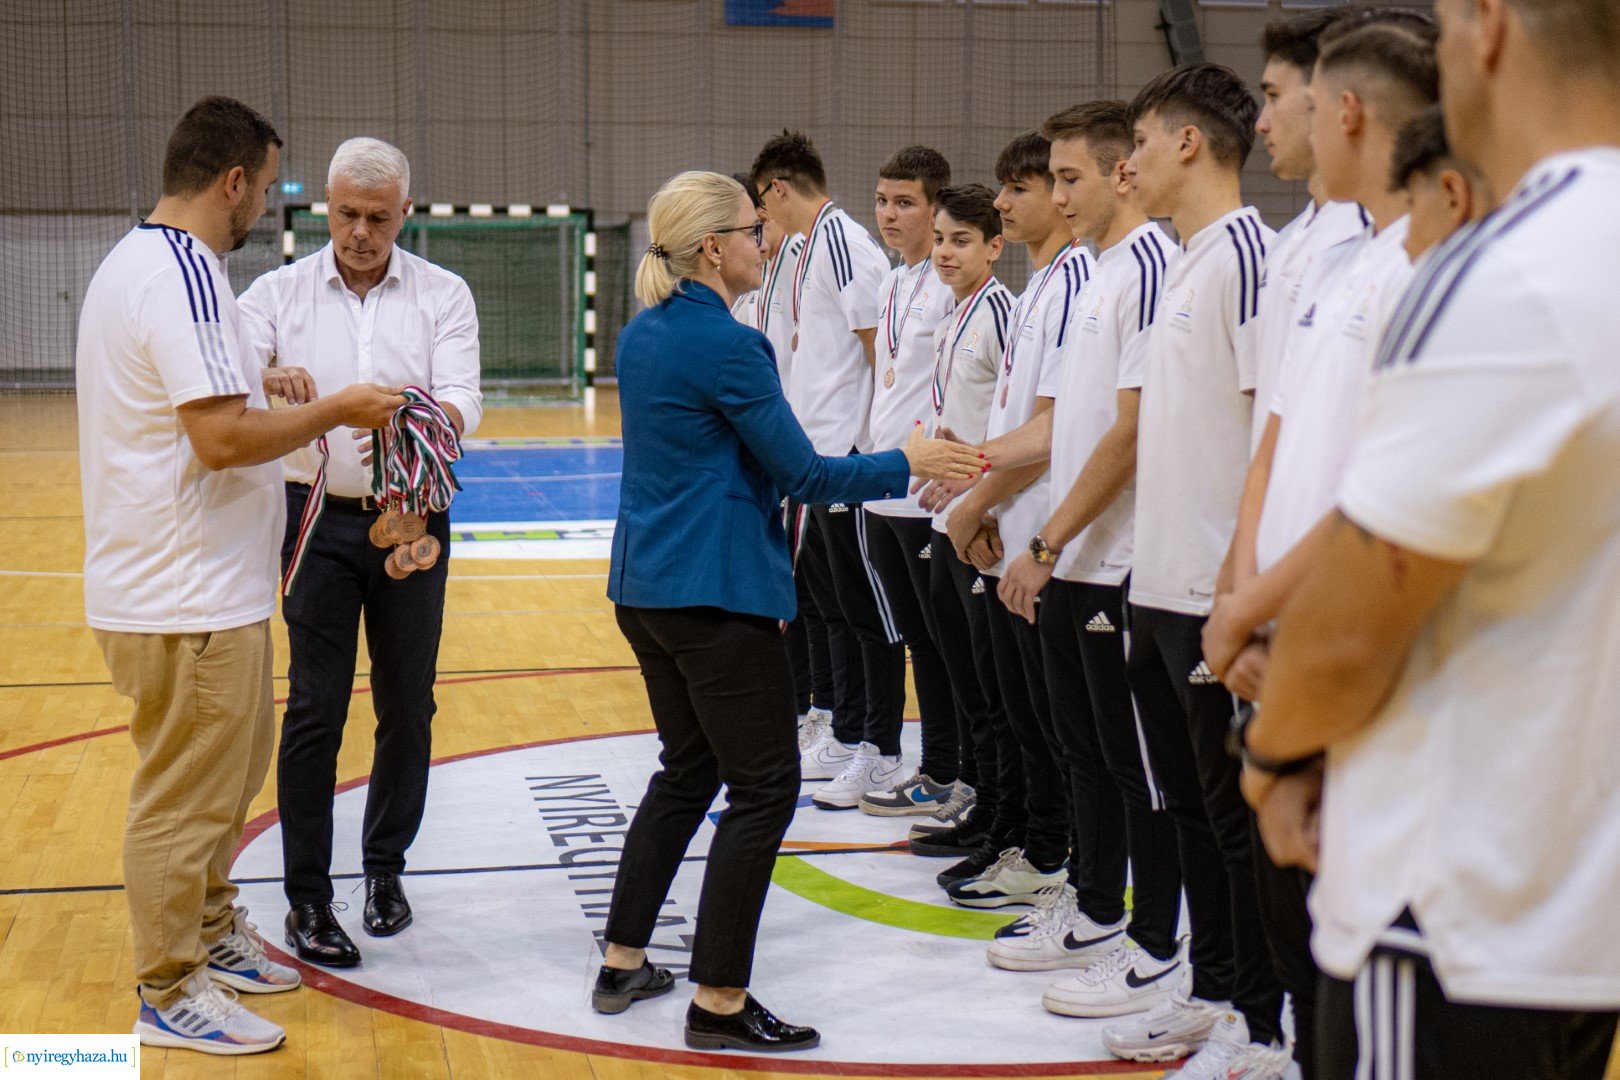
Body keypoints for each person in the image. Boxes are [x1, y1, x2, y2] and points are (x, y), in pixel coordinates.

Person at [1239, 0, 1620, 1074]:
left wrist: (1273, 755)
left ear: (1489, 25)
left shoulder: (1511, 264)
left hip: (1455, 905)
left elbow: (1355, 621)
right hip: (1579, 904)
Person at [592, 171, 986, 1052]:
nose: (763, 242)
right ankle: (719, 1002)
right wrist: (909, 460)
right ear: (712, 249)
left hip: (645, 588)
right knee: (765, 789)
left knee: (686, 772)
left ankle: (622, 960)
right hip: (716, 593)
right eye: (750, 230)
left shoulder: (643, 333)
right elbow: (804, 475)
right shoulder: (732, 346)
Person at [76, 96, 403, 1055]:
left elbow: (195, 406)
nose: (265, 203)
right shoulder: (178, 273)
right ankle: (168, 987)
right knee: (183, 800)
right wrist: (335, 408)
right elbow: (218, 440)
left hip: (204, 587)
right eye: (263, 186)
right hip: (180, 593)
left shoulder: (155, 265)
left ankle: (212, 930)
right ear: (231, 182)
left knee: (223, 788)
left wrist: (265, 384)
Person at [1205, 20, 1439, 1076]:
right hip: (1274, 631)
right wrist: (1238, 599)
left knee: (1341, 923)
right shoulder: (1342, 262)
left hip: (1346, 647)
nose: (1267, 121)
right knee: (1292, 899)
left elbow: (1378, 499)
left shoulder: (1420, 267)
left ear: (1344, 110)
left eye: (1281, 97)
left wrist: (1255, 615)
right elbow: (1278, 441)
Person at [236, 137, 482, 967]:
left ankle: (385, 871)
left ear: (404, 212)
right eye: (347, 214)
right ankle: (307, 898)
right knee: (315, 708)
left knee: (408, 705)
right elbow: (230, 374)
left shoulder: (444, 294)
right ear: (326, 209)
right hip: (314, 520)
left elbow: (464, 397)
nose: (361, 232)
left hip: (417, 515)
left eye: (378, 217)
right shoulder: (274, 295)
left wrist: (415, 421)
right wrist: (267, 378)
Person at [1096, 65, 1289, 1079]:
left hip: (1216, 599)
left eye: (1139, 139)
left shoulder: (1249, 256)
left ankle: (1264, 1024)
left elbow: (1271, 436)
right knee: (1192, 815)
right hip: (1157, 587)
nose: (1127, 162)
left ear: (1188, 142)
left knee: (1236, 825)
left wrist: (1239, 591)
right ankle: (1214, 992)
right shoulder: (1181, 261)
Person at [974, 102, 1186, 1024]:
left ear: (1120, 173)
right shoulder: (1097, 273)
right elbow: (1065, 425)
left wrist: (1045, 541)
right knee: (1087, 753)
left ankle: (1158, 944)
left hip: (1122, 560)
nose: (1058, 197)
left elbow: (1129, 435)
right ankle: (1099, 910)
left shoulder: (1150, 268)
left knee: (1140, 770)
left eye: (1071, 178)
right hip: (1074, 559)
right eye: (1052, 180)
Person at [933, 132, 1094, 909]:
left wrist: (975, 492)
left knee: (1057, 726)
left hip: (1047, 540)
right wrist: (979, 492)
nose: (1001, 202)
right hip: (1010, 531)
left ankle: (1056, 860)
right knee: (1018, 712)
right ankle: (1028, 842)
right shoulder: (1038, 289)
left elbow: (1056, 432)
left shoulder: (1076, 282)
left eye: (1020, 187)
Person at [747, 132, 907, 805]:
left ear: (779, 189)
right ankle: (842, 727)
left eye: (761, 204)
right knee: (826, 604)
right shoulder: (802, 249)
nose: (760, 218)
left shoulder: (842, 242)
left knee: (862, 610)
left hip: (847, 456)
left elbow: (877, 349)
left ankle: (878, 746)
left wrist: (869, 449)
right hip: (812, 457)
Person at [851, 145, 966, 818]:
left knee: (942, 644)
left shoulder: (953, 288)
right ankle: (935, 766)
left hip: (926, 494)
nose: (889, 215)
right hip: (883, 485)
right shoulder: (892, 283)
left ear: (935, 207)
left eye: (904, 203)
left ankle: (950, 771)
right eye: (882, 201)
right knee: (915, 641)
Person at [905, 184, 1016, 857]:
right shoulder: (953, 314)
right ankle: (978, 796)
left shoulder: (1001, 312)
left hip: (984, 518)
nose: (945, 252)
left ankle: (1000, 808)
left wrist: (983, 493)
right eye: (941, 239)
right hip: (946, 515)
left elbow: (1013, 421)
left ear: (995, 247)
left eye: (962, 241)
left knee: (988, 681)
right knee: (959, 670)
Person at [727, 177, 831, 753]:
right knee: (781, 591)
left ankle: (815, 708)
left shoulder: (801, 265)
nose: (758, 235)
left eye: (758, 221)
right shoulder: (743, 299)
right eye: (750, 225)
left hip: (794, 454)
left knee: (809, 595)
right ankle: (791, 705)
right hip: (762, 466)